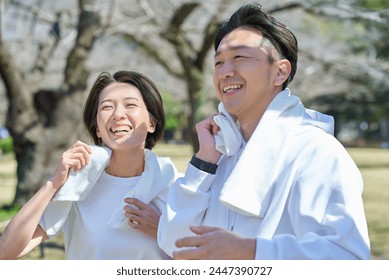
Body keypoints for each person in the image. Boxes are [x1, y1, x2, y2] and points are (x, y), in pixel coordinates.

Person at [157, 3, 370, 259]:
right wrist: (203, 163)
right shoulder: (220, 151)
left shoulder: (316, 152)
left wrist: (250, 251)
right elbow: (174, 243)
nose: (225, 73)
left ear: (280, 72)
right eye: (218, 62)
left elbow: (349, 259)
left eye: (240, 57)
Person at [0, 70, 180, 259]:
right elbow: (5, 252)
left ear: (151, 123)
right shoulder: (78, 184)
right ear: (98, 129)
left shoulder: (176, 184)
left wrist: (163, 230)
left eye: (130, 105)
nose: (118, 114)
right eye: (107, 107)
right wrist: (53, 184)